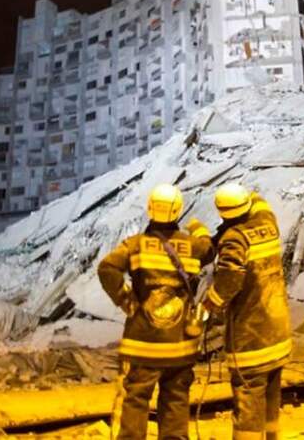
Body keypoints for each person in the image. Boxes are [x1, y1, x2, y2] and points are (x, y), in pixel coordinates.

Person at [97, 183, 215, 440]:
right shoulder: (193, 247)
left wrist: (126, 301)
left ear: (150, 208)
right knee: (175, 402)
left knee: (136, 401)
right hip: (180, 347)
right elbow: (209, 249)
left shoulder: (135, 245)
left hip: (142, 346)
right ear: (178, 210)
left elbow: (107, 269)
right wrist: (198, 228)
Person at [203, 183, 292, 440]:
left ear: (223, 212)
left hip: (250, 341)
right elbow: (259, 200)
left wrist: (209, 303)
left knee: (248, 405)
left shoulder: (234, 239)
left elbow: (229, 280)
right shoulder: (268, 222)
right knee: (271, 400)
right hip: (278, 333)